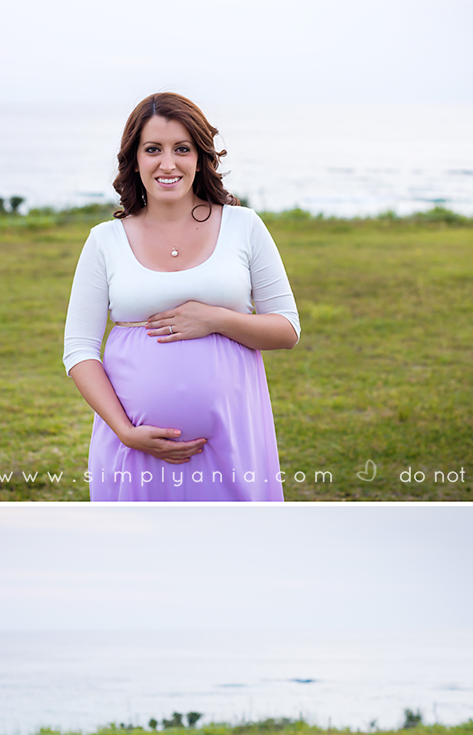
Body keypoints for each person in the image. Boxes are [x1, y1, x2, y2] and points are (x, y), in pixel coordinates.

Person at [63, 89, 300, 500]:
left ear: (200, 157)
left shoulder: (243, 226)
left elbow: (287, 329)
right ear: (134, 159)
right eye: (153, 149)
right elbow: (79, 350)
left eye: (182, 149)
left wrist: (216, 319)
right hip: (135, 450)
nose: (167, 164)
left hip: (232, 441)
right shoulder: (105, 240)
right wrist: (126, 431)